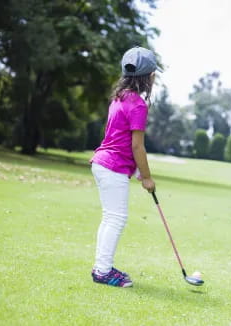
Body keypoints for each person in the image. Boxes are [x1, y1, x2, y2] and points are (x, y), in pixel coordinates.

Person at [89, 46, 160, 287]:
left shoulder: (119, 98)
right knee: (116, 219)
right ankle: (102, 270)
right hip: (112, 166)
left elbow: (121, 138)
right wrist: (148, 177)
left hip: (103, 163)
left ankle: (101, 267)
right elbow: (137, 146)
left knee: (110, 218)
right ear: (149, 76)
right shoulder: (138, 104)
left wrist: (138, 169)